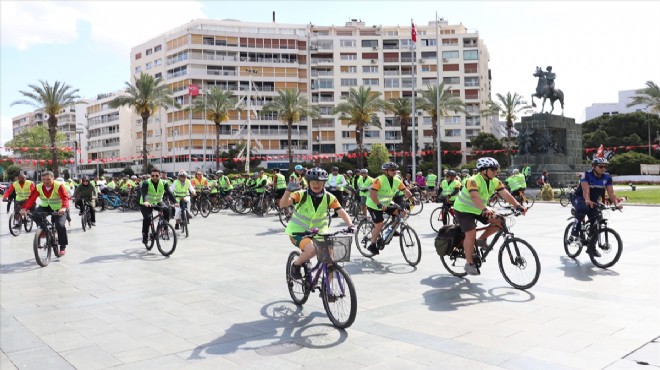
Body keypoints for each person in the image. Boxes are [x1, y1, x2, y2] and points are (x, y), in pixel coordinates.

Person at [453, 157, 525, 275]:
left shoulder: (495, 181)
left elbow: (505, 194)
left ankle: (482, 239)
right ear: (483, 170)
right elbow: (475, 197)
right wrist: (485, 209)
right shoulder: (472, 180)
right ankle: (469, 263)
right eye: (493, 169)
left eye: (497, 169)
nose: (496, 172)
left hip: (479, 209)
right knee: (471, 233)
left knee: (500, 221)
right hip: (464, 210)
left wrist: (518, 206)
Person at [280, 167, 355, 280]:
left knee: (330, 260)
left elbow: (341, 211)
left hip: (319, 233)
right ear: (308, 182)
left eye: (320, 182)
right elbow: (283, 204)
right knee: (312, 249)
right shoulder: (301, 195)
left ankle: (329, 293)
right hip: (298, 232)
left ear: (324, 183)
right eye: (314, 182)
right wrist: (287, 191)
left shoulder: (329, 197)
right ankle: (296, 265)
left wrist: (350, 225)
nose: (317, 185)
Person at [570, 158, 622, 257]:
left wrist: (616, 203)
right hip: (579, 198)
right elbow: (586, 190)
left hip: (592, 201)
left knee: (598, 220)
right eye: (601, 166)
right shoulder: (586, 175)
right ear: (593, 166)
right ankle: (574, 232)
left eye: (605, 166)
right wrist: (587, 200)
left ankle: (591, 247)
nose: (603, 168)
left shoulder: (607, 177)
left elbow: (611, 192)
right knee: (583, 208)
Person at [365, 162, 413, 255]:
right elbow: (372, 193)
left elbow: (405, 190)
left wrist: (412, 198)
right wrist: (378, 204)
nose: (394, 171)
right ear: (385, 171)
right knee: (379, 224)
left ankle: (391, 229)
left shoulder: (397, 180)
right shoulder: (379, 180)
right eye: (392, 170)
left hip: (387, 203)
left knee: (402, 213)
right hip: (374, 204)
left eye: (395, 169)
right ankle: (372, 244)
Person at [21, 171, 71, 255]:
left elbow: (65, 197)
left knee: (60, 225)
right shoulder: (39, 187)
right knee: (35, 215)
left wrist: (63, 208)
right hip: (45, 206)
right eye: (44, 179)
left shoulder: (59, 186)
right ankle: (43, 230)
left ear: (53, 178)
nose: (46, 182)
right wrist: (24, 208)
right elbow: (31, 198)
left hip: (59, 208)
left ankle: (62, 247)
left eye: (48, 179)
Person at [139, 168, 176, 245]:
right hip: (146, 203)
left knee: (167, 209)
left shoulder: (164, 183)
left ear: (159, 175)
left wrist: (175, 202)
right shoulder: (146, 183)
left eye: (156, 175)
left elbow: (169, 192)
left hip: (158, 201)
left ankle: (165, 228)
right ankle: (145, 235)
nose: (154, 177)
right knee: (148, 218)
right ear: (150, 176)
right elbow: (144, 193)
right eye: (153, 175)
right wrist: (145, 202)